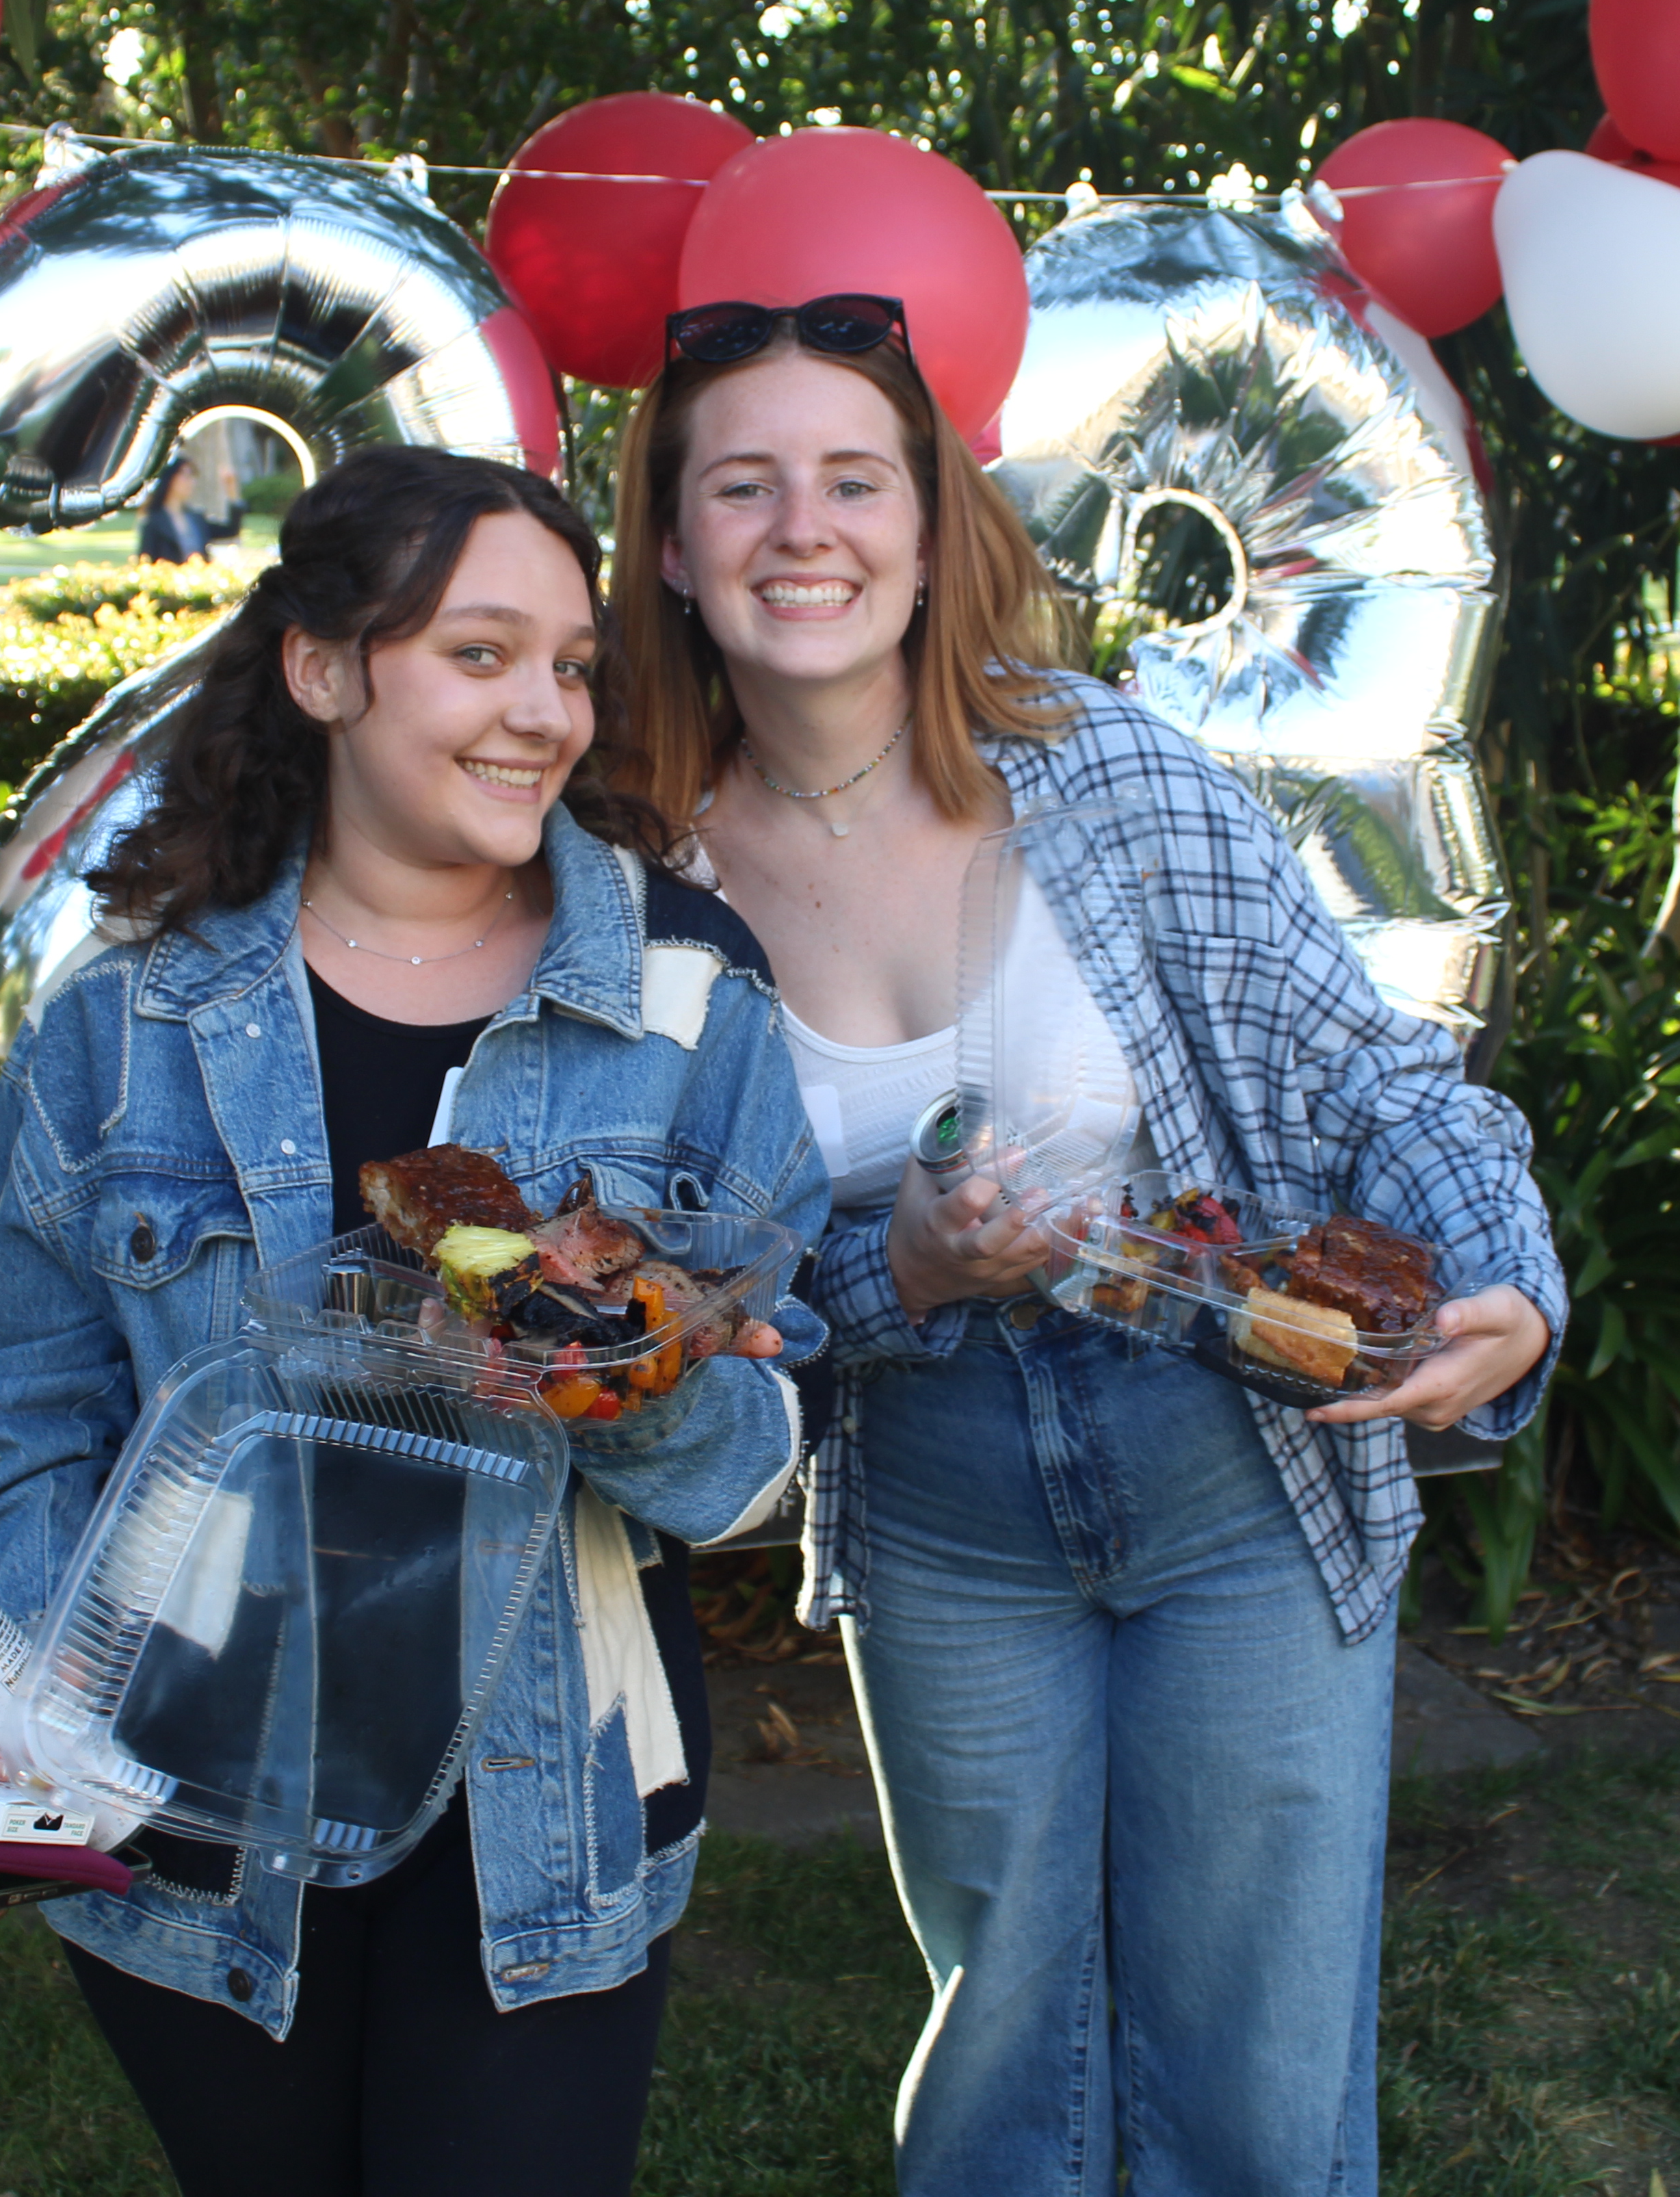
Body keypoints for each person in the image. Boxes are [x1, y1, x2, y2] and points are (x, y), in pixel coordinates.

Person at [607, 294, 1567, 2196]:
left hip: (1233, 1471)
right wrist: (913, 1274)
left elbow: (1377, 1072)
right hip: (944, 1511)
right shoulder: (640, 886)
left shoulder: (1109, 780)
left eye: (853, 478)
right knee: (1008, 2069)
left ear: (930, 521)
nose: (806, 527)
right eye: (746, 484)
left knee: (1260, 2086)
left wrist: (1510, 1284)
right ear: (668, 545)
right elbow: (680, 1296)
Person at [0, 445, 828, 2197]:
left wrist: (624, 1384)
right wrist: (12, 1671)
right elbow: (31, 1406)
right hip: (188, 1786)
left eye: (569, 665)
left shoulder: (685, 993)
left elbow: (753, 1471)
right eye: (477, 655)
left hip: (545, 1800)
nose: (543, 714)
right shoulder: (125, 1017)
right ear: (324, 669)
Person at [137, 454, 218, 562]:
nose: (191, 482)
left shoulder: (197, 518)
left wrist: (232, 492)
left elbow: (231, 530)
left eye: (192, 475)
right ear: (170, 478)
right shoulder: (153, 521)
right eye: (185, 475)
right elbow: (146, 560)